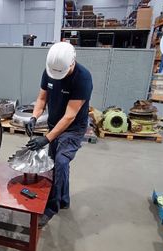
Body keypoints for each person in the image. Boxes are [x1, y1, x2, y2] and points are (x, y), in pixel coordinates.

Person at [25, 42, 93, 228]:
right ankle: (64, 199)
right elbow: (41, 98)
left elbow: (70, 115)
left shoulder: (83, 78)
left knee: (61, 161)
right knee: (56, 164)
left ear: (72, 62)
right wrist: (33, 117)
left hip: (73, 128)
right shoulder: (50, 70)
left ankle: (51, 207)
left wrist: (47, 138)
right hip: (54, 124)